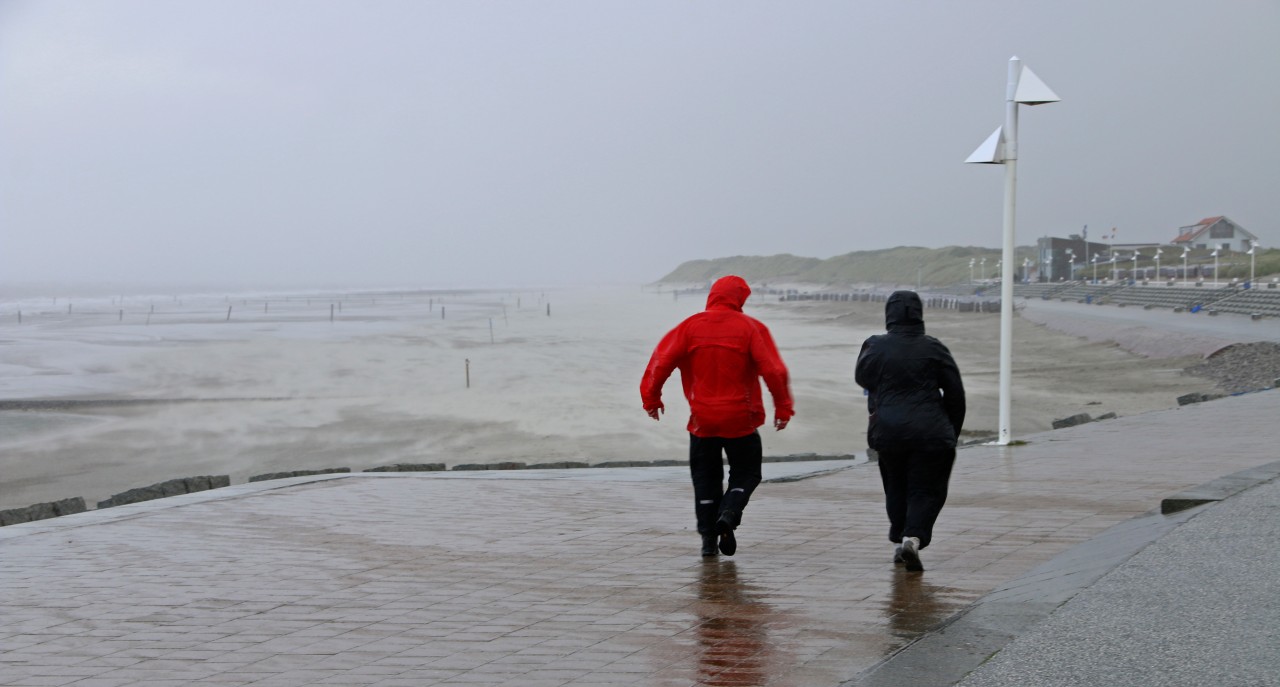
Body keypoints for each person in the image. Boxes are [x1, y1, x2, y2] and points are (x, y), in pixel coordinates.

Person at [641, 275, 794, 557]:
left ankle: (708, 541)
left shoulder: (689, 327)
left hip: (702, 420)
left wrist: (651, 398)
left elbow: (661, 361)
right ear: (740, 298)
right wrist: (783, 407)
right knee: (746, 473)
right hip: (741, 419)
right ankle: (729, 513)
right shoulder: (751, 328)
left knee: (705, 479)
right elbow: (774, 370)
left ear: (712, 296)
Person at [855, 290, 965, 572]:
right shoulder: (934, 347)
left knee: (895, 486)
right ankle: (912, 537)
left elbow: (862, 377)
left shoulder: (875, 346)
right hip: (932, 432)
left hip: (888, 432)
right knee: (926, 490)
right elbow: (955, 393)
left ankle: (898, 540)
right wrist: (951, 430)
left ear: (888, 315)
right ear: (919, 314)